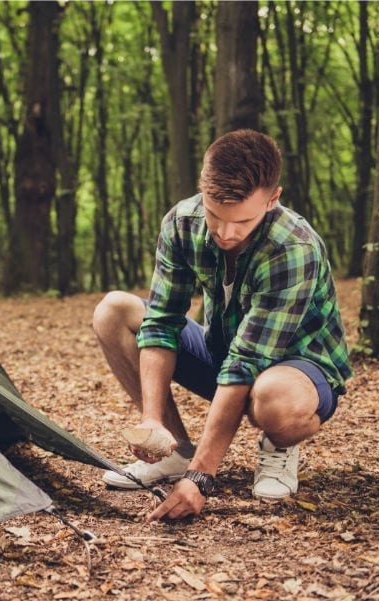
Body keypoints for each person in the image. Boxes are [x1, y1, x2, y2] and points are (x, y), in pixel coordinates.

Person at [92, 129, 352, 521]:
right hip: (224, 352)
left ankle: (278, 448)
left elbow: (246, 362)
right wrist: (152, 421)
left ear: (273, 199)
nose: (226, 233)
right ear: (202, 188)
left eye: (242, 221)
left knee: (275, 400)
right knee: (114, 310)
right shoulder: (182, 223)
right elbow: (162, 323)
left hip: (297, 370)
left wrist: (201, 478)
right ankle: (175, 453)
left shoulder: (293, 247)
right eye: (215, 215)